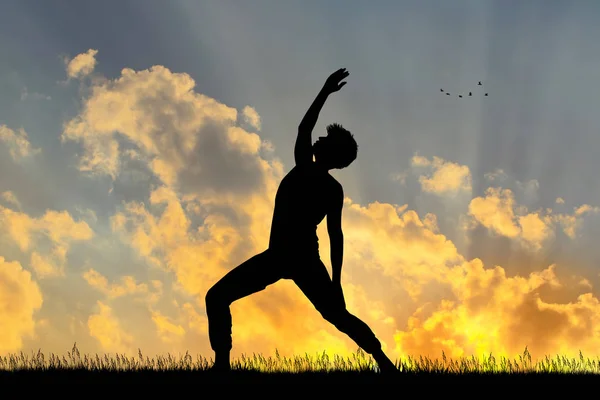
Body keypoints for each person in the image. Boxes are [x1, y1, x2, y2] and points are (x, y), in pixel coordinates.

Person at [205, 68, 398, 374]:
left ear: (328, 153)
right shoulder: (332, 187)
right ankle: (385, 363)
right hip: (298, 258)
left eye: (323, 139)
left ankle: (222, 366)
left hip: (290, 257)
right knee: (338, 316)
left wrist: (324, 91)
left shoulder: (307, 171)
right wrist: (335, 281)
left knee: (217, 297)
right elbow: (336, 236)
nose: (316, 139)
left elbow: (303, 129)